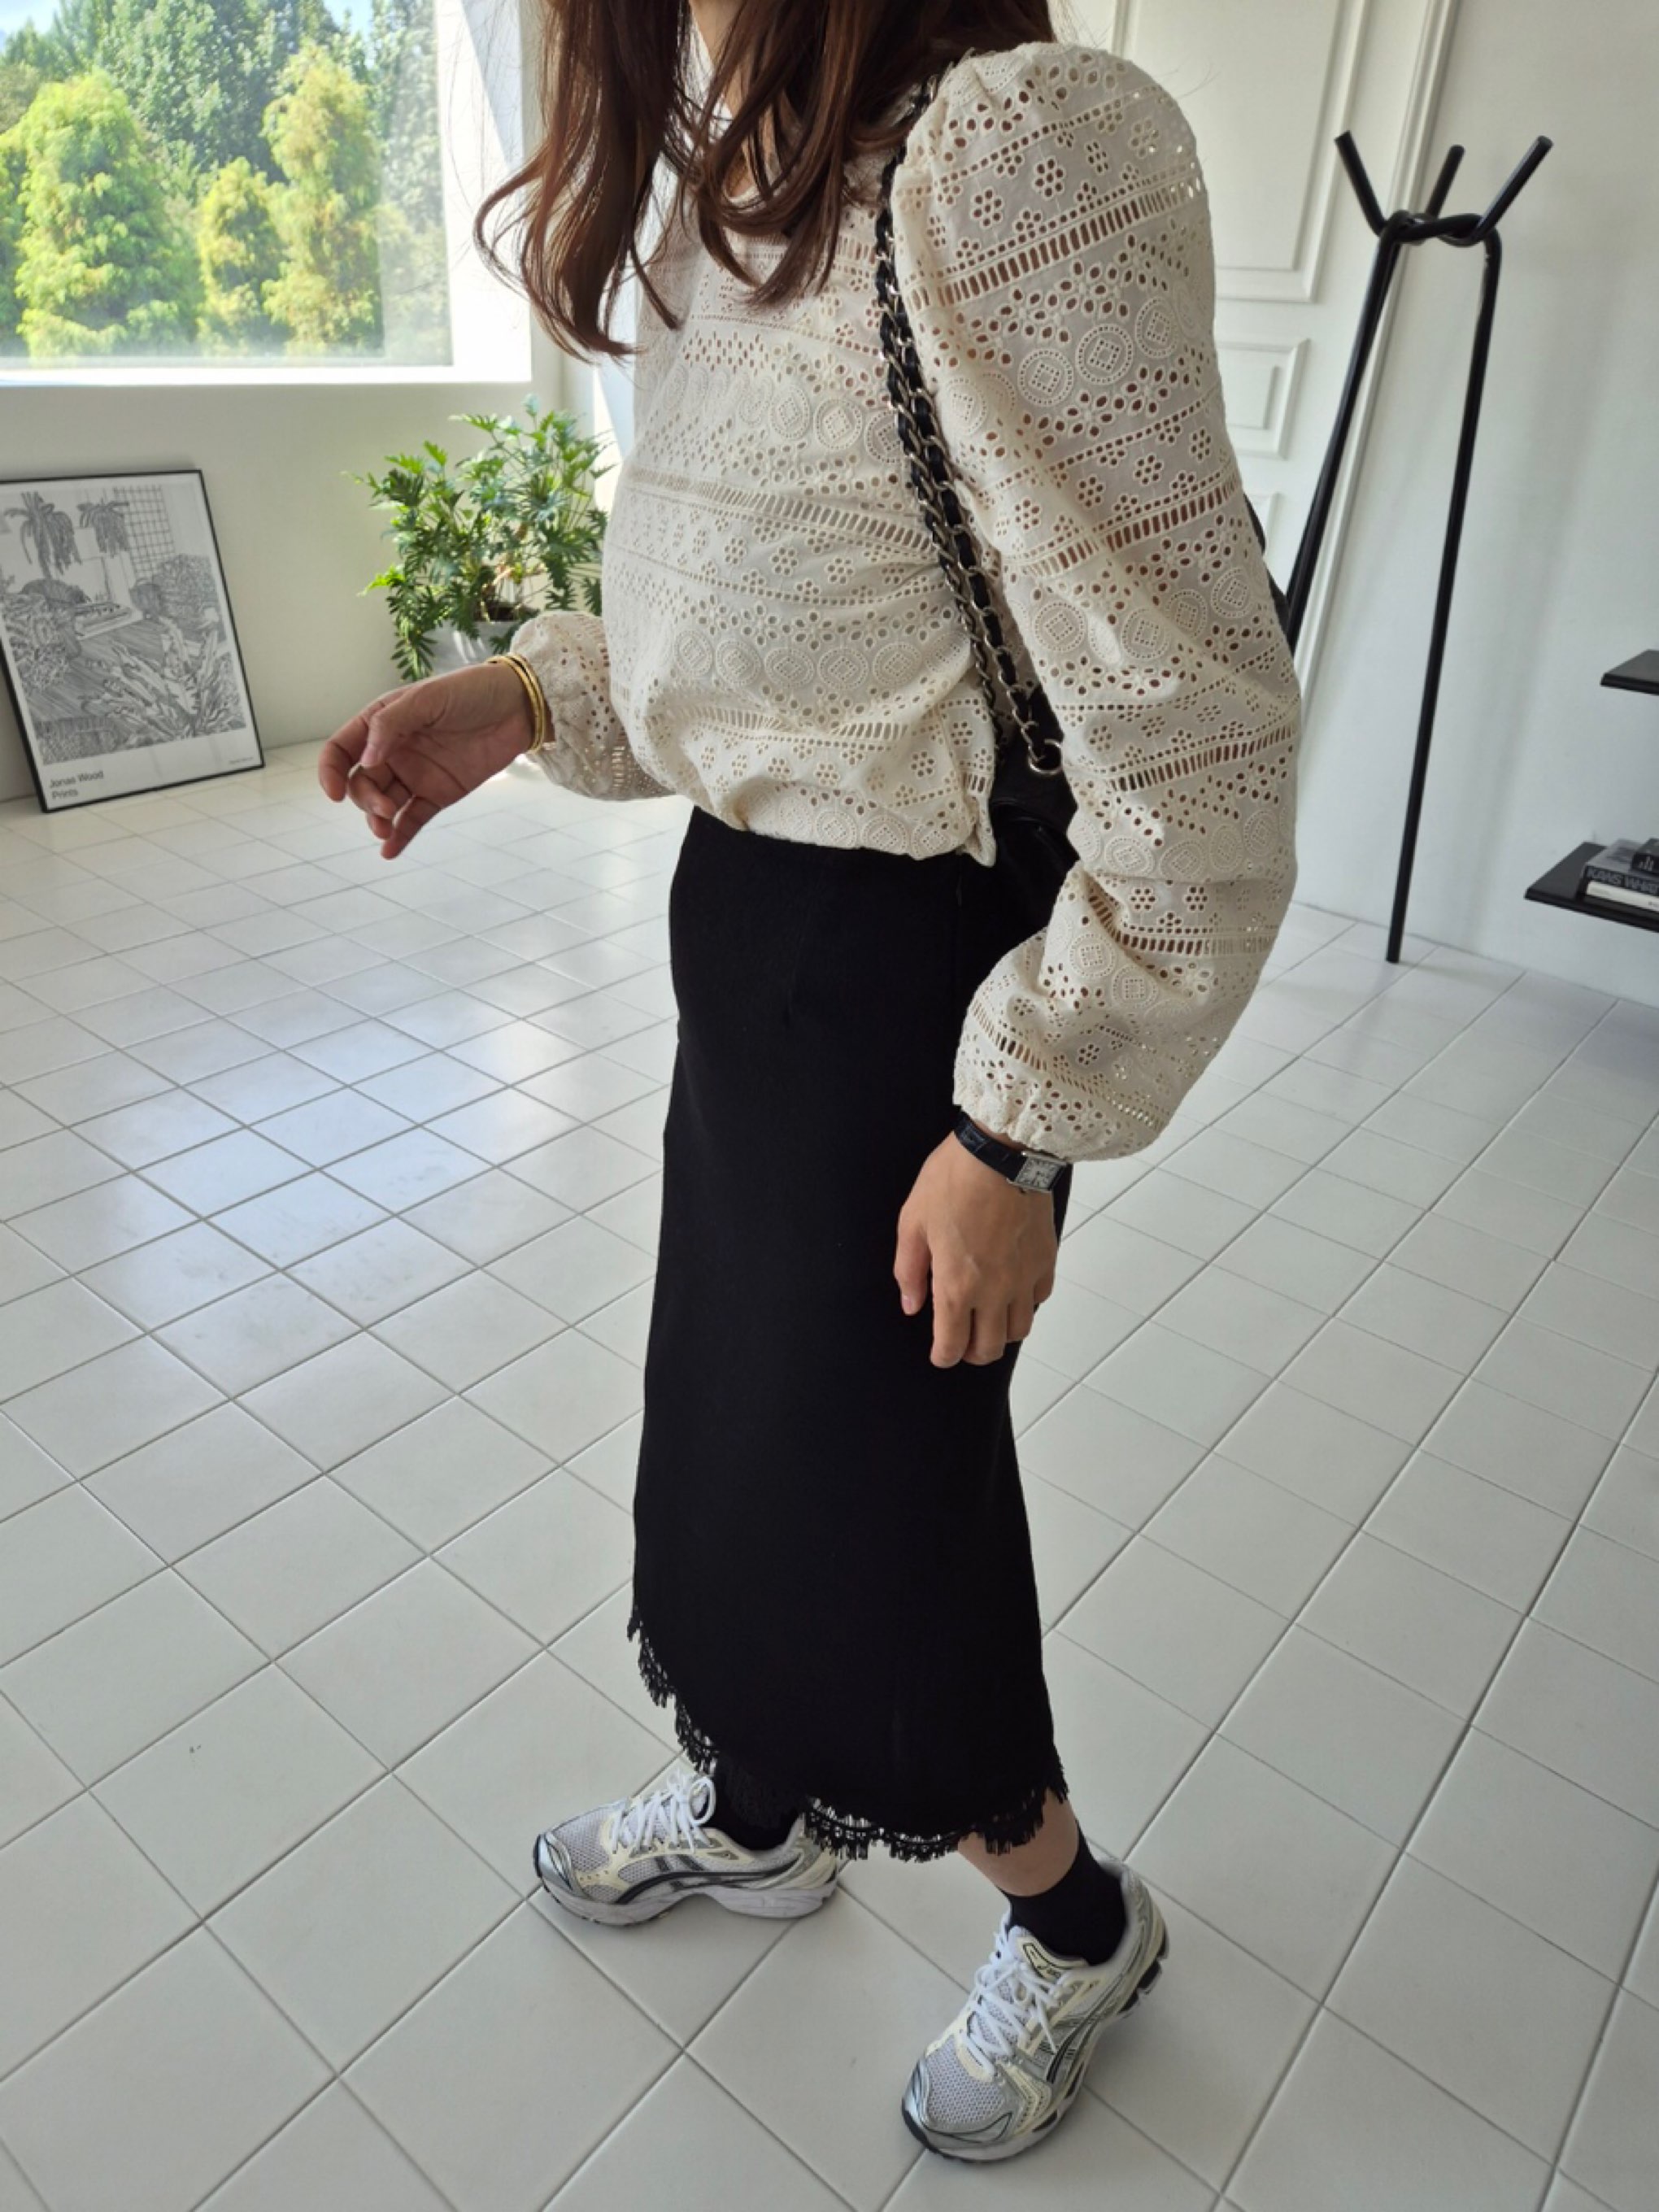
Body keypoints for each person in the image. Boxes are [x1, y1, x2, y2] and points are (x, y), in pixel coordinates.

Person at [318, 0, 1300, 2165]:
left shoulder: (1013, 153)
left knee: (879, 1500)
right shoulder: (740, 190)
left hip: (927, 988)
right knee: (725, 1428)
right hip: (750, 939)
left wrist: (1020, 1120)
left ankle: (1075, 1923)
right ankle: (763, 1805)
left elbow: (1200, 746)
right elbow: (770, 643)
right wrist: (524, 698)